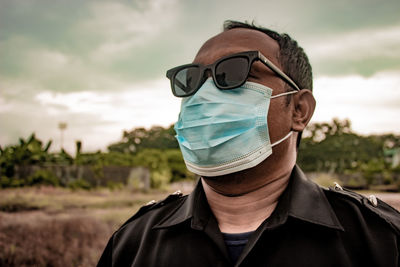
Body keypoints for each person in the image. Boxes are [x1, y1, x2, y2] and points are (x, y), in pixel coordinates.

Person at [97, 20, 400, 267]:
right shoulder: (132, 243)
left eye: (234, 72)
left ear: (299, 110)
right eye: (192, 79)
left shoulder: (380, 240)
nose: (205, 95)